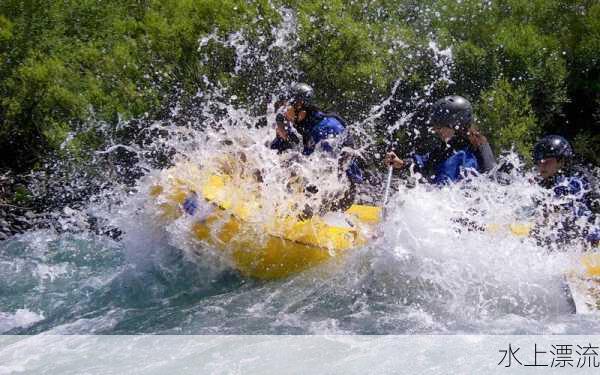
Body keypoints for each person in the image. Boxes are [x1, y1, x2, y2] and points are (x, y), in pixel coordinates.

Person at [269, 83, 364, 212]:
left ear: (299, 105)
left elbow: (333, 169)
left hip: (342, 192)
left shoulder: (327, 127)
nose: (283, 110)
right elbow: (272, 155)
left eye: (286, 105)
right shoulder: (299, 125)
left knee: (297, 165)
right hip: (316, 185)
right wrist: (281, 135)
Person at [384, 95, 496, 185]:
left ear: (456, 124)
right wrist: (403, 163)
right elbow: (426, 162)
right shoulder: (447, 148)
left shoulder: (469, 153)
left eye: (439, 126)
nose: (435, 129)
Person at [530, 135, 599, 247]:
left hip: (592, 237)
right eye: (539, 161)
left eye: (547, 161)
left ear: (561, 161)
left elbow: (581, 216)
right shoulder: (547, 182)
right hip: (571, 235)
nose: (541, 165)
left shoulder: (574, 182)